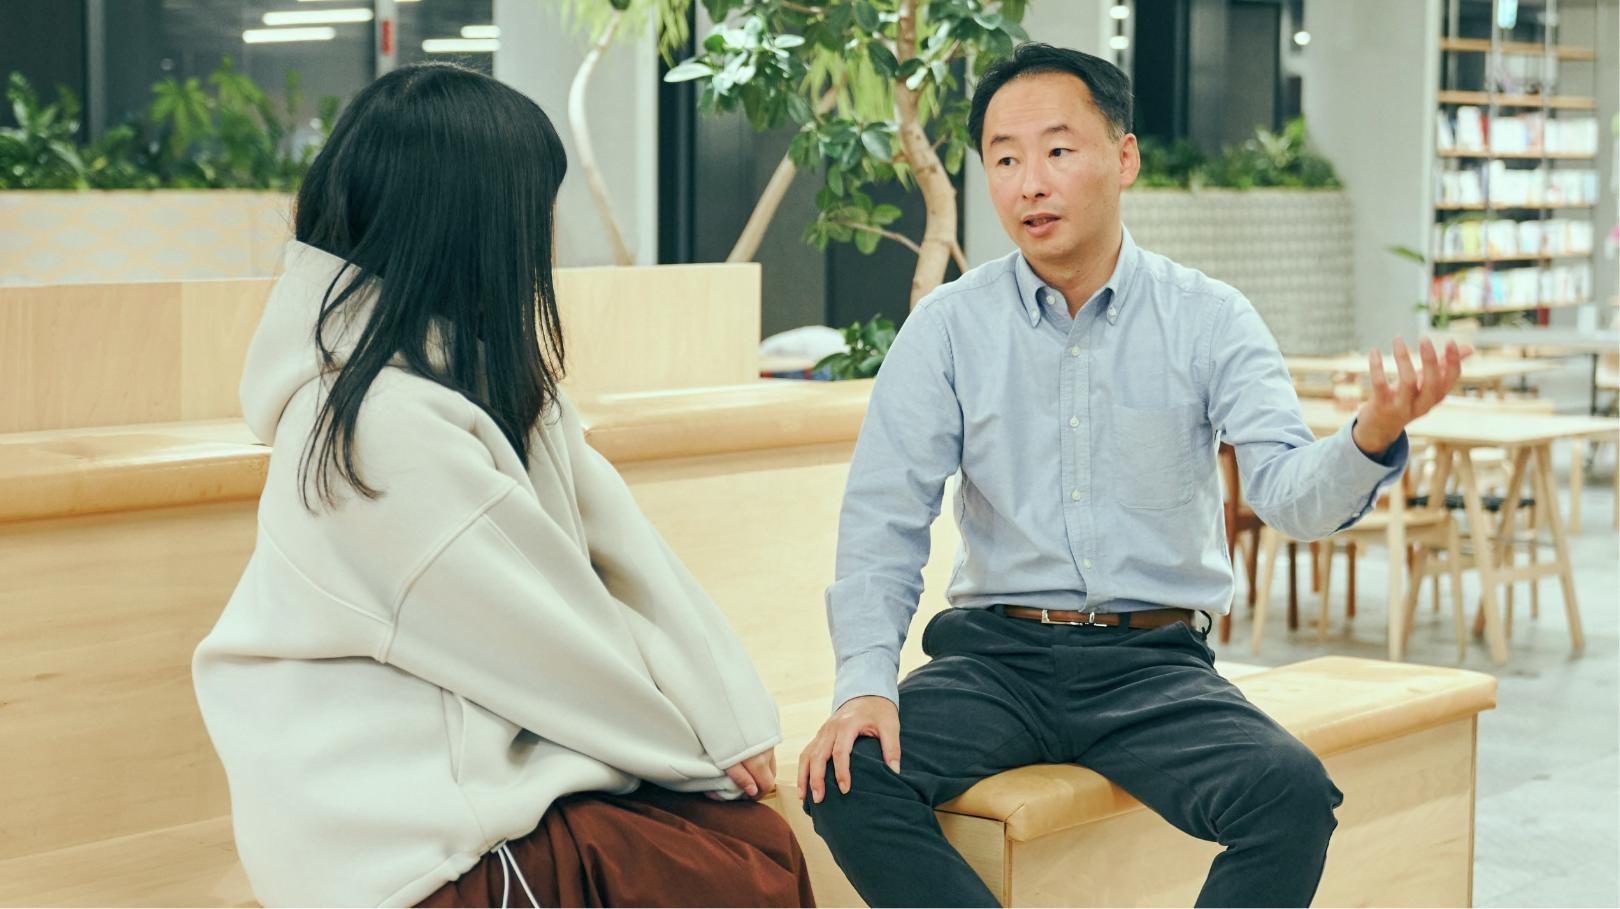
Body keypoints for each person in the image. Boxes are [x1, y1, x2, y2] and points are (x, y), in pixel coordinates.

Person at [795, 43, 1471, 908]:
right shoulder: (948, 328)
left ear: (1123, 158)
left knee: (1291, 796)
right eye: (1005, 159)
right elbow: (883, 520)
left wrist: (1371, 435)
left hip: (1153, 667)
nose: (1030, 183)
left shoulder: (1211, 318)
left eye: (1057, 150)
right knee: (845, 776)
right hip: (996, 660)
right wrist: (863, 684)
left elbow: (1288, 496)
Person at [192, 62, 813, 909]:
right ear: (478, 225)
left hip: (486, 768)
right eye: (538, 210)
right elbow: (551, 646)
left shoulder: (490, 379)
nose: (548, 238)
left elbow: (630, 560)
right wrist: (696, 756)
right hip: (401, 832)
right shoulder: (376, 426)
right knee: (736, 873)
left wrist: (732, 721)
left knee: (754, 840)